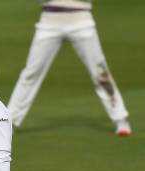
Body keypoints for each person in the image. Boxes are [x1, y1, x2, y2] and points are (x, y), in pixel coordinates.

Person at [8, 0, 132, 136]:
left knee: (100, 72)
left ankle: (121, 119)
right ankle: (9, 122)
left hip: (81, 21)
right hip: (49, 23)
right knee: (31, 73)